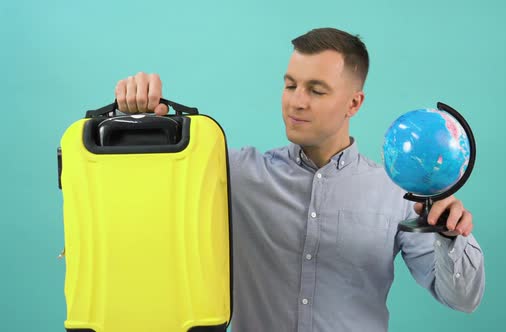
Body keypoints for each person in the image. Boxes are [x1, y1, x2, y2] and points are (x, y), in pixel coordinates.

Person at [114, 27, 485, 332]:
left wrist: (449, 237)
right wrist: (143, 119)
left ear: (354, 104)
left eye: (316, 90)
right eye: (290, 85)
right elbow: (149, 186)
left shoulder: (398, 193)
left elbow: (463, 298)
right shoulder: (235, 175)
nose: (296, 102)